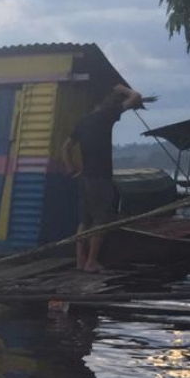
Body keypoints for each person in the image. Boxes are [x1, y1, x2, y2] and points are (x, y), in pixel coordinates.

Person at [62, 83, 144, 272]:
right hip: (100, 177)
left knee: (84, 220)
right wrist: (121, 88)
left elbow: (65, 147)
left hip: (85, 177)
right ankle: (92, 261)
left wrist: (70, 168)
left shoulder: (83, 121)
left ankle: (80, 261)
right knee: (101, 220)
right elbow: (136, 96)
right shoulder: (107, 115)